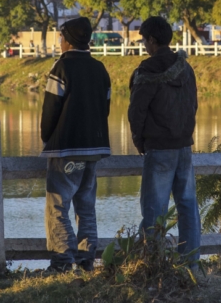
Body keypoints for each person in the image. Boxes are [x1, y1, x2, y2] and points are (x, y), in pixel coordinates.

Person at [40, 16, 111, 273]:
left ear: (68, 41)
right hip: (94, 149)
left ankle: (61, 261)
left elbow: (50, 109)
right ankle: (86, 260)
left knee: (58, 205)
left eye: (61, 37)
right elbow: (105, 108)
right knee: (86, 206)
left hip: (67, 148)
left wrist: (47, 137)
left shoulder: (61, 67)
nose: (60, 41)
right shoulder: (100, 68)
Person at [128, 16, 201, 263]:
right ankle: (190, 263)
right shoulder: (186, 68)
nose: (144, 45)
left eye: (144, 40)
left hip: (159, 148)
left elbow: (136, 111)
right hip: (184, 146)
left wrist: (139, 141)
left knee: (154, 211)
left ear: (151, 40)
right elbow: (193, 105)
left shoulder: (147, 71)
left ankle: (153, 263)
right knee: (188, 207)